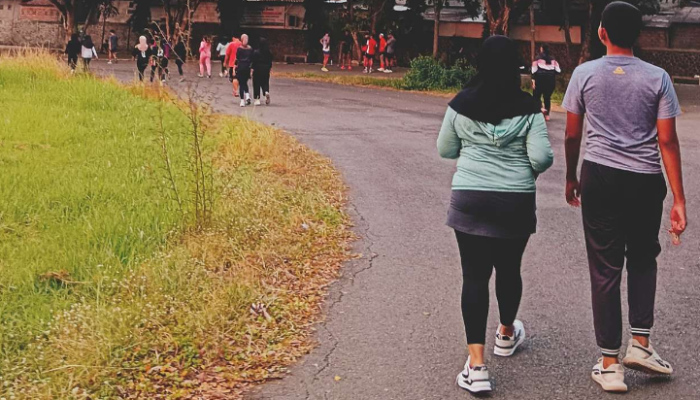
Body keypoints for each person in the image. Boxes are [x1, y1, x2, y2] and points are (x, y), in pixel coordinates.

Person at [562, 2, 686, 393]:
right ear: (638, 35)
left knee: (605, 267)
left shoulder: (584, 74)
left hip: (599, 174)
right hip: (645, 178)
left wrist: (570, 176)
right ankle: (642, 344)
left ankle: (610, 363)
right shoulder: (658, 77)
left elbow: (570, 134)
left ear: (602, 33)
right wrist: (679, 199)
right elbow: (666, 139)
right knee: (644, 257)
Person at [437, 35, 553, 394]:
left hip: (470, 196)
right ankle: (505, 333)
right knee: (508, 269)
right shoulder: (529, 107)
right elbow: (542, 159)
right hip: (514, 200)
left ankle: (477, 366)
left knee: (474, 276)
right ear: (515, 67)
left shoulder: (460, 104)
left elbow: (445, 149)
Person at [531, 44, 561, 122]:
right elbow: (558, 71)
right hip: (550, 82)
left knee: (536, 97)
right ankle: (547, 115)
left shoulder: (537, 59)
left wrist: (533, 81)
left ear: (541, 49)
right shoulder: (553, 59)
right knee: (547, 98)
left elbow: (533, 70)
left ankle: (539, 111)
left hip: (539, 81)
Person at [252, 37, 273, 106]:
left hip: (257, 69)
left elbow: (254, 61)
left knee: (256, 84)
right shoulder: (269, 52)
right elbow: (270, 61)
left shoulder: (256, 52)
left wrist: (252, 68)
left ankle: (257, 99)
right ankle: (266, 92)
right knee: (265, 82)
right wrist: (269, 68)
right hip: (266, 69)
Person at [235, 34, 254, 107]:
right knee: (244, 82)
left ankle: (242, 100)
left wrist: (235, 67)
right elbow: (252, 59)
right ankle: (247, 95)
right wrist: (251, 68)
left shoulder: (239, 49)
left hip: (241, 67)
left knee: (241, 83)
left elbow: (237, 58)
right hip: (247, 68)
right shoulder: (250, 49)